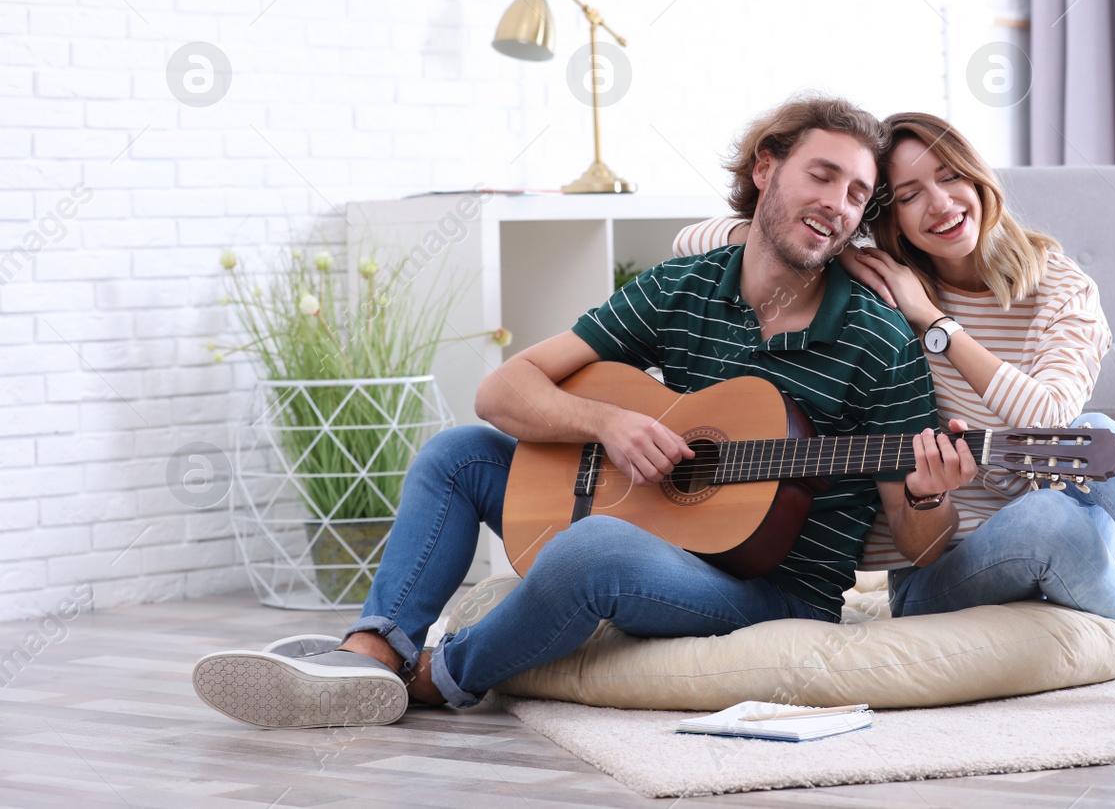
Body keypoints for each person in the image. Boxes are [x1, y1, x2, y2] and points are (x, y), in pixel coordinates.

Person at [192, 95, 975, 729]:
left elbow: (921, 541)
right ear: (766, 168)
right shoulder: (685, 285)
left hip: (772, 588)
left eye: (856, 194)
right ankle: (370, 653)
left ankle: (438, 676)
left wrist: (934, 491)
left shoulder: (876, 334)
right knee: (457, 454)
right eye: (822, 175)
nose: (837, 205)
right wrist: (609, 423)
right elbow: (502, 392)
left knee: (597, 549)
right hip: (648, 524)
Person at [672, 112, 1115, 701]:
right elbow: (693, 241)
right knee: (1059, 517)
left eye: (949, 175)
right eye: (908, 194)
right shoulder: (880, 275)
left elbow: (1051, 418)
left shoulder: (1059, 288)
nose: (939, 203)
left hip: (1064, 523)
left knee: (1089, 443)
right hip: (938, 570)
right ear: (889, 217)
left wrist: (935, 322)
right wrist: (828, 243)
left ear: (978, 176)